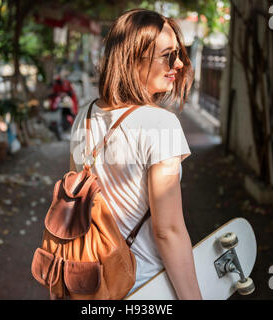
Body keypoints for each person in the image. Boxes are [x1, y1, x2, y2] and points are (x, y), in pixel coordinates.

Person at [69, 8, 202, 300]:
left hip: (95, 284)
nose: (178, 63)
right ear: (132, 59)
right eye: (167, 55)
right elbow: (168, 230)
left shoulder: (85, 116)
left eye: (178, 53)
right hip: (147, 287)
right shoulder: (162, 124)